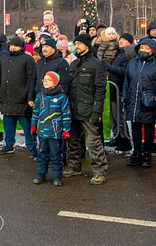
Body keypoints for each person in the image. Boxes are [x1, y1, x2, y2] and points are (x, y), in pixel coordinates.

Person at [65, 34, 108, 185]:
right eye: (75, 43)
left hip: (88, 109)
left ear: (87, 45)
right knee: (73, 140)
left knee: (93, 142)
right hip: (73, 108)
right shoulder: (74, 64)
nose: (76, 46)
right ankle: (73, 167)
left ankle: (100, 172)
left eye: (79, 43)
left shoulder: (96, 64)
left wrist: (96, 111)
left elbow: (100, 90)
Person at [123, 38, 156, 167]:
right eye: (142, 47)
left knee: (148, 127)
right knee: (135, 127)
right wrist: (125, 97)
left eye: (147, 48)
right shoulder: (133, 62)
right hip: (134, 99)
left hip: (149, 100)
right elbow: (127, 81)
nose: (144, 50)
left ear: (153, 49)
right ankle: (136, 152)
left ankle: (147, 154)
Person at [0, 36, 36, 156]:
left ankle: (32, 148)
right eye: (11, 45)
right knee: (8, 126)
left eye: (16, 45)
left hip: (21, 101)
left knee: (27, 127)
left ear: (21, 47)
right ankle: (9, 145)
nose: (13, 47)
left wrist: (25, 94)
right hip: (6, 98)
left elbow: (31, 78)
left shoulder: (27, 59)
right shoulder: (3, 58)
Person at [31, 72, 72, 186]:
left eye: (48, 80)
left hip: (55, 132)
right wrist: (33, 125)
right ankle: (40, 175)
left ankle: (57, 177)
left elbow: (66, 115)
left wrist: (66, 129)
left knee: (56, 155)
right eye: (44, 79)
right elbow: (35, 112)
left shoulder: (62, 97)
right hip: (42, 131)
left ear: (55, 82)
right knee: (42, 154)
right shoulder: (40, 96)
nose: (45, 82)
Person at [105, 32, 133, 151]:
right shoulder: (118, 53)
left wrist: (109, 67)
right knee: (113, 116)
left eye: (124, 40)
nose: (120, 41)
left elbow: (124, 70)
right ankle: (117, 137)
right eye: (120, 39)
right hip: (113, 89)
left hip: (119, 89)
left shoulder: (128, 54)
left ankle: (124, 139)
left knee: (119, 116)